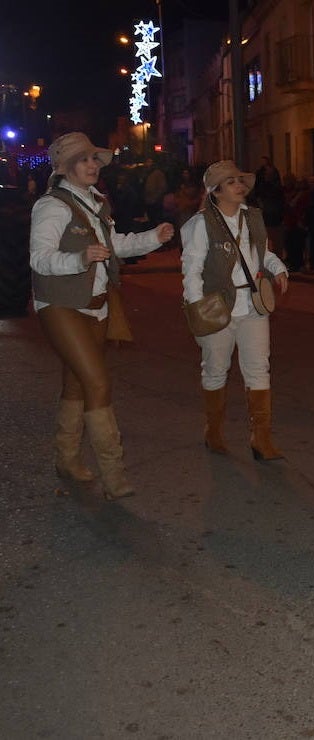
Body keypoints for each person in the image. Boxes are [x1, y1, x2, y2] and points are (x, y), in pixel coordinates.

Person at [29, 132, 174, 499]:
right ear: (65, 167)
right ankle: (113, 473)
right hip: (61, 304)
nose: (94, 165)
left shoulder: (96, 203)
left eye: (95, 159)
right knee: (97, 382)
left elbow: (114, 247)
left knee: (77, 382)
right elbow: (39, 259)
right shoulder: (52, 206)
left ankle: (67, 458)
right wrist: (79, 258)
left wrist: (153, 237)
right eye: (85, 160)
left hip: (97, 304)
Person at [181, 161, 290, 461]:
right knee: (216, 369)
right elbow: (191, 269)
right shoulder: (200, 224)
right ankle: (213, 431)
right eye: (231, 182)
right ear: (215, 191)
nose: (240, 186)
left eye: (240, 180)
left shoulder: (252, 217)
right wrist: (196, 306)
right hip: (218, 307)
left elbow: (261, 252)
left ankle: (261, 438)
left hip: (254, 306)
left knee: (259, 368)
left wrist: (278, 268)